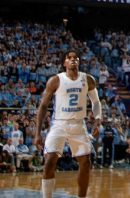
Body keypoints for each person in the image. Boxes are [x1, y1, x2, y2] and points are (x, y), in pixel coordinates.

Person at [34, 51, 102, 198]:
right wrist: (37, 133)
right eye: (69, 58)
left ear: (79, 62)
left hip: (78, 124)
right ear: (64, 63)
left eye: (75, 58)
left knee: (85, 162)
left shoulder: (88, 79)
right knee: (49, 161)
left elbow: (96, 102)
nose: (73, 60)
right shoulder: (55, 80)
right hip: (59, 124)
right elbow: (43, 106)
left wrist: (97, 119)